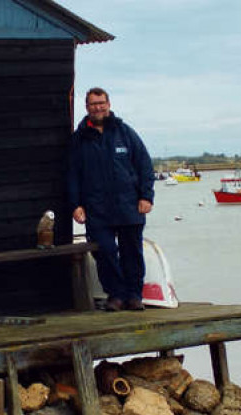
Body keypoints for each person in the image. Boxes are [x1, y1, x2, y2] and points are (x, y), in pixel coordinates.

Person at [67, 87, 155, 312]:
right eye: (93, 104)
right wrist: (75, 205)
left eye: (101, 103)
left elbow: (144, 165)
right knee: (104, 251)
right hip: (97, 209)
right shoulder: (79, 139)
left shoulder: (125, 133)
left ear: (108, 104)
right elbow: (72, 174)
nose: (98, 107)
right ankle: (115, 295)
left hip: (129, 205)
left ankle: (134, 296)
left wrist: (146, 196)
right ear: (87, 108)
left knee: (132, 253)